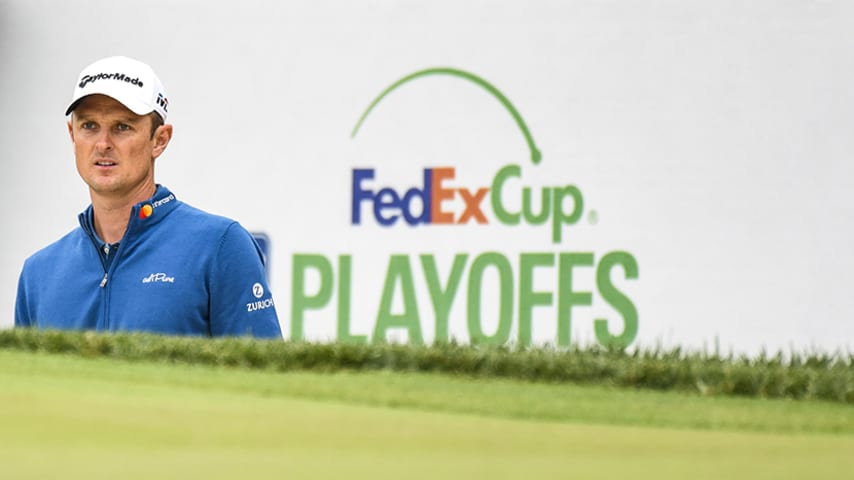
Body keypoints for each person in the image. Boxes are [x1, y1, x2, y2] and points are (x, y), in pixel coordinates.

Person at [14, 56, 282, 338]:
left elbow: (265, 379)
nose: (103, 144)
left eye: (122, 127)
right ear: (72, 134)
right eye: (89, 126)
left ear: (160, 140)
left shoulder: (221, 245)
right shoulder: (38, 274)